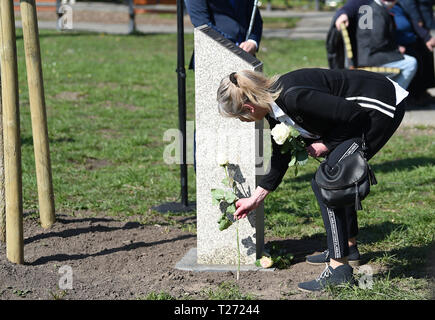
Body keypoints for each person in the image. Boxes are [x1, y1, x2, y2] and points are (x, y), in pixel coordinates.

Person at [216, 68, 406, 292]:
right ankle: (348, 247)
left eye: (240, 117)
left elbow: (355, 115)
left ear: (249, 108)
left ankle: (339, 270)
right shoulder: (272, 107)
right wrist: (255, 198)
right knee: (335, 173)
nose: (242, 121)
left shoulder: (294, 98)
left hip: (380, 107)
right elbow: (281, 155)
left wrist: (327, 144)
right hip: (358, 115)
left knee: (328, 181)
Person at [356, 0, 418, 90]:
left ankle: (388, 92)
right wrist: (396, 49)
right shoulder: (377, 11)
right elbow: (378, 41)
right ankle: (394, 96)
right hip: (372, 57)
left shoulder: (370, 8)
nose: (394, 5)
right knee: (411, 63)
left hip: (366, 54)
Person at [185, 0, 263, 57]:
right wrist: (234, 46)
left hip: (247, 56)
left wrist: (253, 41)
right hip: (213, 57)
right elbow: (203, 25)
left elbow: (255, 19)